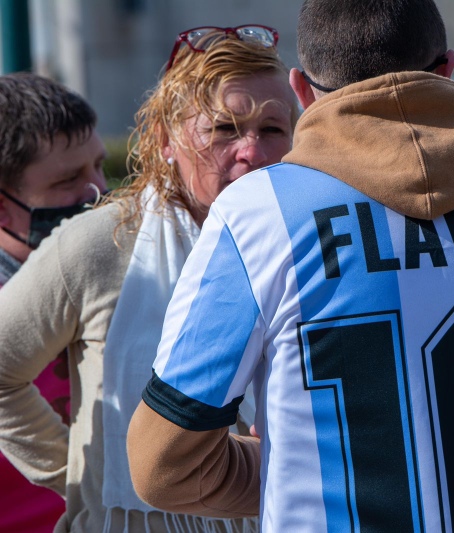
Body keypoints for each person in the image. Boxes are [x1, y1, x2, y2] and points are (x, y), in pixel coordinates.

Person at [127, 1, 454, 532]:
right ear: (448, 69)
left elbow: (163, 468)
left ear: (301, 89)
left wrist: (288, 472)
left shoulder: (257, 212)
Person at [0, 26, 298, 533]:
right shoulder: (100, 243)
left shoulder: (310, 236)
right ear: (166, 140)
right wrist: (78, 473)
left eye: (272, 128)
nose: (253, 151)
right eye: (224, 129)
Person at [0, 71, 106, 533]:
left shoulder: (116, 273)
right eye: (69, 180)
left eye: (99, 166)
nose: (97, 192)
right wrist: (90, 487)